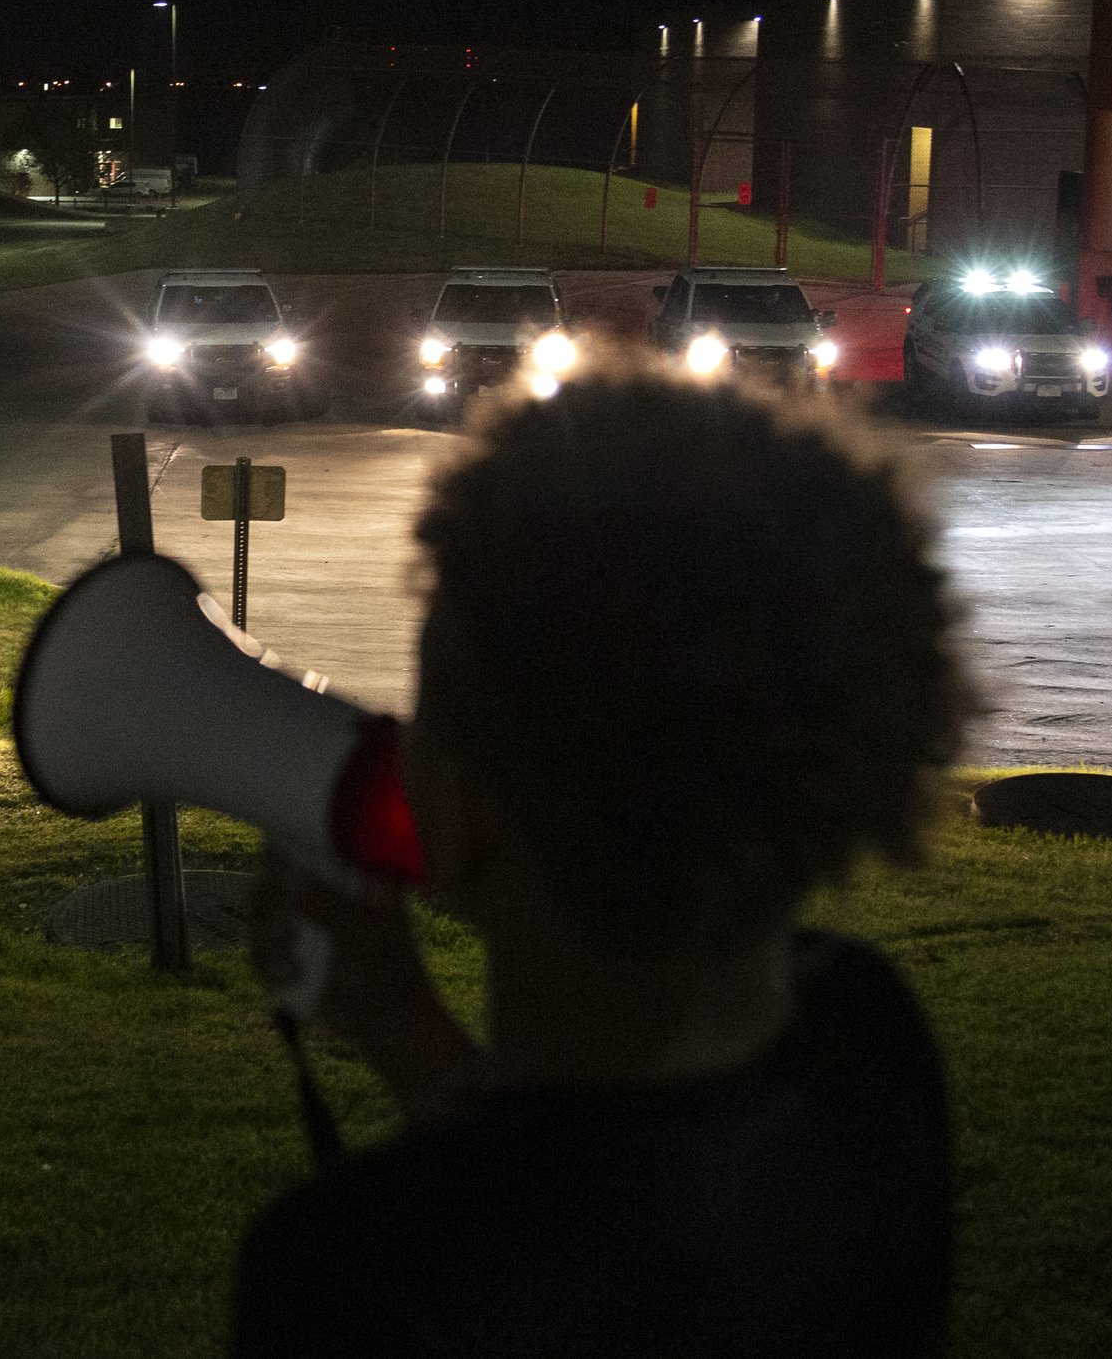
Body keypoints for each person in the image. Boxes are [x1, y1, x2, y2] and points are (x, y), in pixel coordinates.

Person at [235, 368, 974, 1358]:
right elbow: (605, 1197)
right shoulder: (866, 1040)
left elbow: (533, 1225)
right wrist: (414, 1041)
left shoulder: (341, 1270)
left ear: (463, 808)